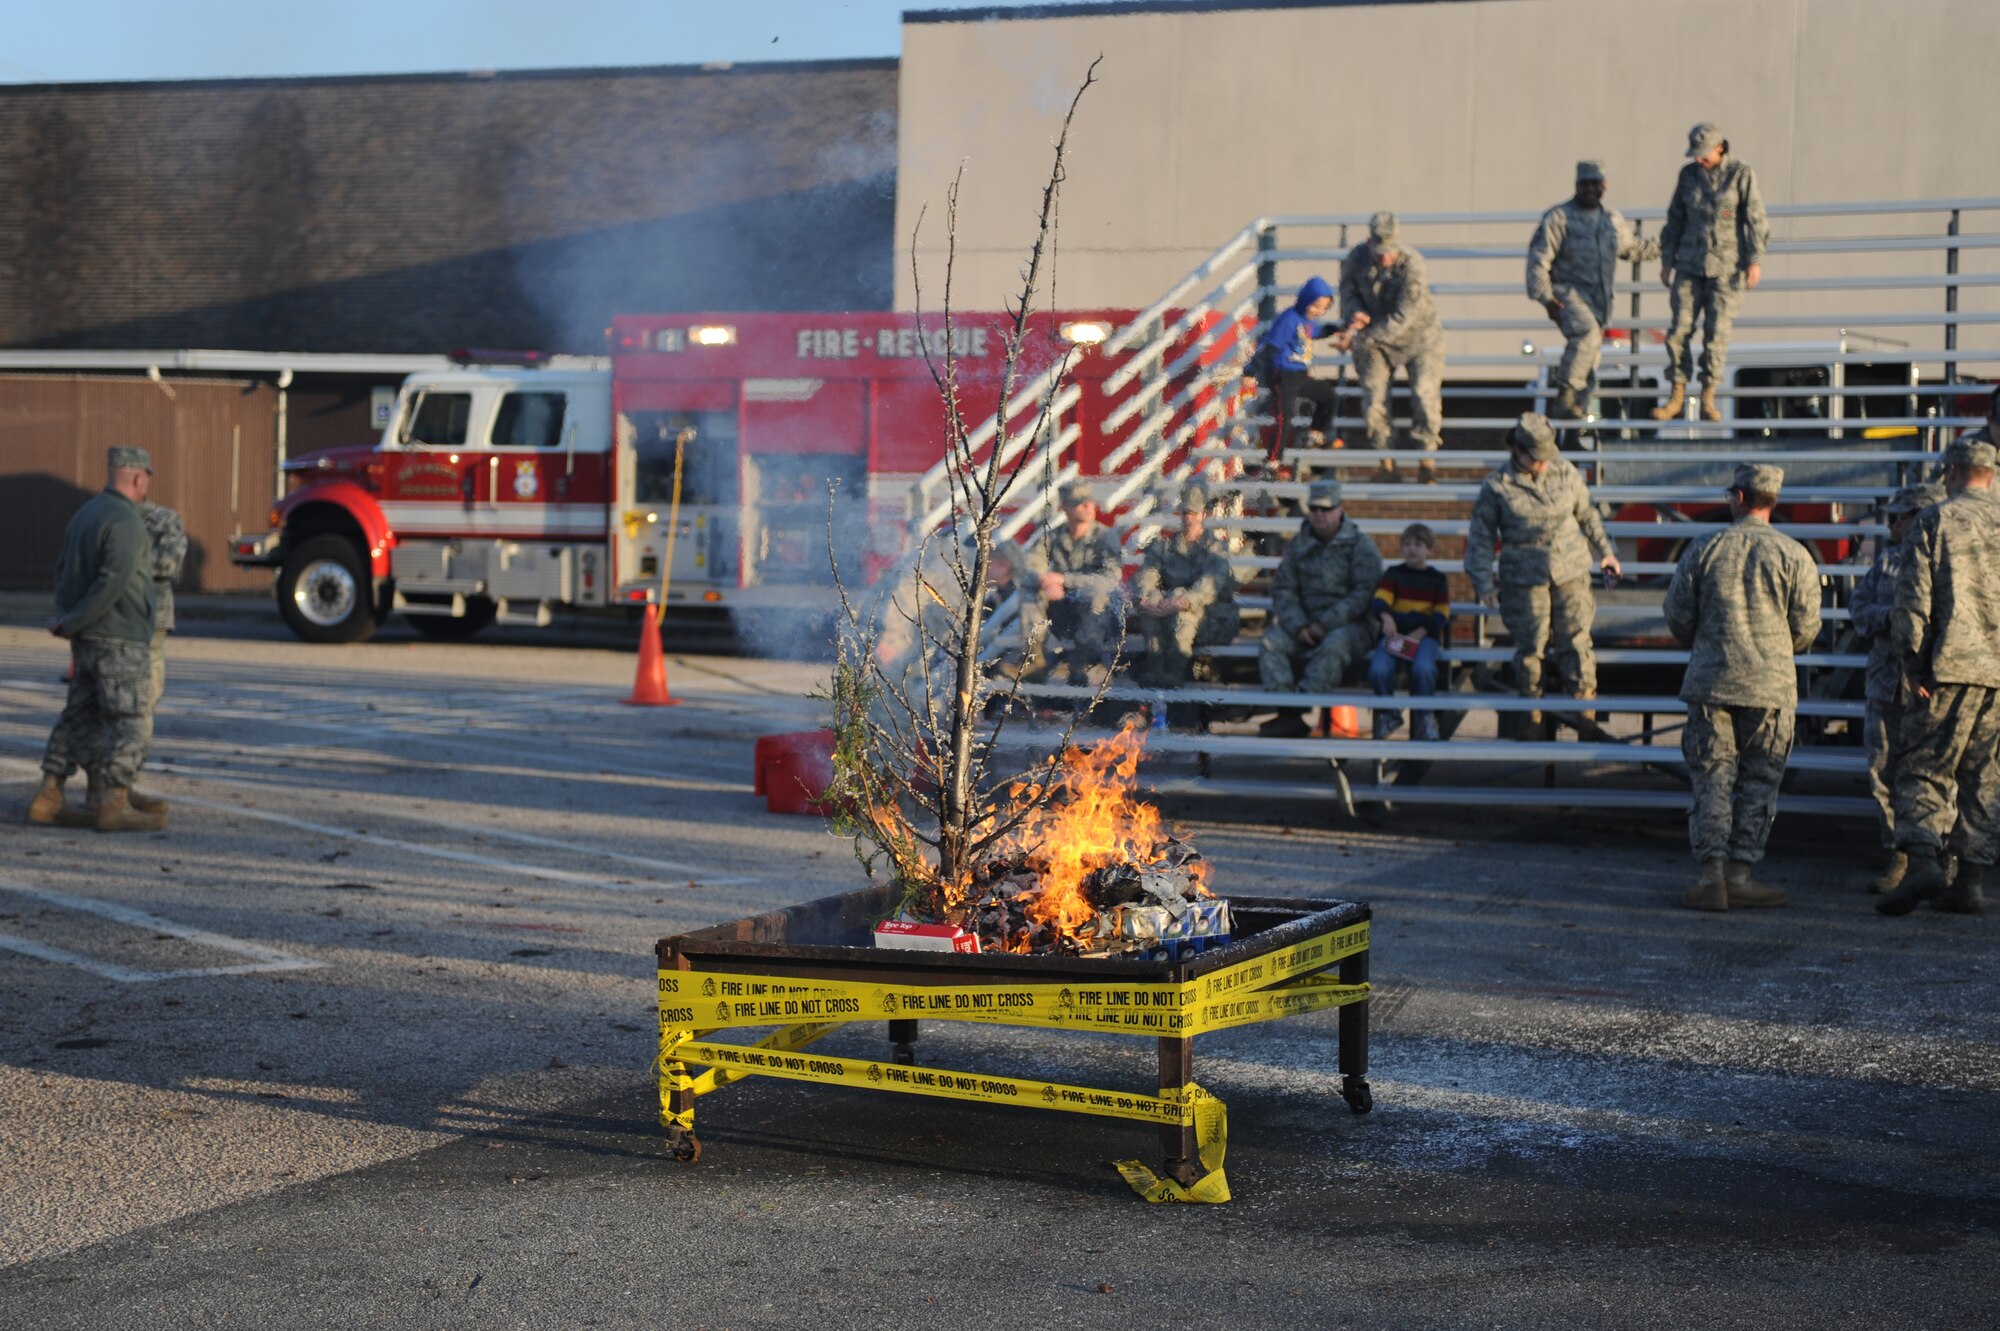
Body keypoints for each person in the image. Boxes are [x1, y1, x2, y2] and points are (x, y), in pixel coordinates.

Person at [1663, 463, 1821, 911]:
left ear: (1738, 497)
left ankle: (1711, 876)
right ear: (1773, 501)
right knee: (1758, 784)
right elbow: (1807, 628)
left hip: (1712, 683)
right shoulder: (1795, 555)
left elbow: (1677, 617)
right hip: (1770, 689)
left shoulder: (1705, 547)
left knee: (1713, 779)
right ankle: (1741, 874)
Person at [1877, 438, 2000, 917]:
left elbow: (1912, 604)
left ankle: (1924, 859)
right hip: (1996, 674)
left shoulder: (1934, 520)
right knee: (1984, 778)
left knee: (1923, 767)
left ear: (1951, 470)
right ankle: (1970, 884)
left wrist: (1912, 665)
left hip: (1948, 668)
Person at [24, 446, 166, 833]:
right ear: (138, 478)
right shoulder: (127, 520)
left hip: (86, 640)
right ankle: (113, 802)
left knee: (77, 718)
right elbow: (113, 583)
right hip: (118, 637)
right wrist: (77, 620)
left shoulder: (85, 515)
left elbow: (63, 570)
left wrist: (69, 620)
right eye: (147, 478)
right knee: (131, 722)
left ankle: (48, 796)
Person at [1464, 413, 1621, 729]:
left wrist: (1606, 552)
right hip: (1524, 578)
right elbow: (1480, 538)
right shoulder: (1497, 486)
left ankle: (1585, 714)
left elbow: (1587, 514)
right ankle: (1531, 715)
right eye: (1537, 459)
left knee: (1576, 642)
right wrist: (1483, 584)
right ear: (1519, 452)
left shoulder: (1565, 472)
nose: (1544, 464)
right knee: (1530, 647)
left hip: (1570, 570)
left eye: (1548, 457)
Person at [1849, 481, 1946, 893]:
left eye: (1900, 517)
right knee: (1882, 770)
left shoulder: (1946, 563)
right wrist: (1891, 617)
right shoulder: (1887, 562)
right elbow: (1859, 609)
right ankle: (1899, 856)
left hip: (1928, 684)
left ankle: (1937, 855)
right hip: (1886, 682)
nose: (1892, 524)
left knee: (1931, 773)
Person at [1526, 160, 1661, 422]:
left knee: (1591, 363)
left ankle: (1575, 426)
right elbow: (1538, 260)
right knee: (1586, 334)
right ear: (1576, 185)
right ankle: (1565, 396)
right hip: (1568, 295)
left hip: (1600, 304)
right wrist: (1547, 300)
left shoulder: (1611, 220)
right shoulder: (1559, 217)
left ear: (1604, 186)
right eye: (1584, 184)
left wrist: (1668, 241)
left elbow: (1633, 249)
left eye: (1595, 184)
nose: (1590, 189)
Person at [1653, 123, 1769, 423]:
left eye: (1705, 154)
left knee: (1716, 336)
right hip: (1690, 265)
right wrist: (1667, 259)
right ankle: (1676, 395)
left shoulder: (1741, 175)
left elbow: (1755, 219)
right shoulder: (1688, 176)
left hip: (1726, 269)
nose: (1700, 160)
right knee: (1678, 331)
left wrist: (1754, 260)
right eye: (1697, 155)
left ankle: (1708, 397)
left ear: (1721, 148)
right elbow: (1674, 219)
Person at [1256, 478, 1384, 737]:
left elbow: (1364, 594)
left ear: (1340, 509)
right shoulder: (1298, 546)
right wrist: (1299, 625)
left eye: (1325, 509)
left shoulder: (1360, 545)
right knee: (1271, 642)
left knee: (1335, 645)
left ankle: (1300, 705)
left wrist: (1325, 624)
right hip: (1305, 624)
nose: (1318, 514)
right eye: (1314, 508)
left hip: (1352, 626)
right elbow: (1284, 589)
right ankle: (1288, 712)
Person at [1338, 211, 1445, 482]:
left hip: (1419, 338)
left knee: (1424, 394)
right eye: (1380, 250)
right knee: (1373, 401)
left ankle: (1426, 460)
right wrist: (1355, 315)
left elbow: (1402, 318)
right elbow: (1347, 294)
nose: (1386, 257)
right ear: (1369, 242)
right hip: (1374, 340)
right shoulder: (1355, 259)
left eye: (1390, 250)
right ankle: (1386, 463)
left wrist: (1360, 337)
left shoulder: (1413, 265)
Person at [1133, 482, 1241, 691]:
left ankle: (1176, 670)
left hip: (1211, 618)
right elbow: (1148, 571)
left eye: (1193, 512)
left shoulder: (1215, 550)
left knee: (1180, 602)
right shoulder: (1166, 546)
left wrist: (1181, 601)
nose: (1187, 518)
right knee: (1153, 602)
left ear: (1203, 515)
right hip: (1171, 615)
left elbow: (1209, 586)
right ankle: (1155, 667)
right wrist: (1144, 598)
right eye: (1184, 512)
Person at [1019, 480, 1126, 686]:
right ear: (1065, 507)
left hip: (1100, 619)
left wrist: (1064, 580)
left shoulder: (1105, 537)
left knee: (1096, 595)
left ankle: (1082, 663)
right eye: (1080, 503)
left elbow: (1110, 579)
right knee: (1029, 591)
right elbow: (1030, 564)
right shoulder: (1055, 536)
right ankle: (1035, 659)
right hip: (1065, 613)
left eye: (1090, 503)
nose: (1088, 508)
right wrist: (1045, 581)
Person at [1366, 522, 1451, 742]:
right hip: (1395, 636)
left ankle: (1424, 718)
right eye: (1407, 544)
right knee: (1378, 669)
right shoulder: (1393, 574)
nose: (1412, 549)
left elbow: (1441, 615)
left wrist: (1420, 634)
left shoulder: (1437, 580)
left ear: (1430, 550)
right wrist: (1386, 618)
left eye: (1418, 544)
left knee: (1423, 669)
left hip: (1424, 638)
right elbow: (1380, 602)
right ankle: (1389, 714)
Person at [1249, 276, 1344, 464]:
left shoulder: (1308, 322)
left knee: (1329, 395)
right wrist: (1250, 372)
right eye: (1316, 306)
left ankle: (1315, 433)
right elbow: (1270, 346)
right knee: (1285, 417)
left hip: (1300, 375)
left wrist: (1339, 328)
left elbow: (1318, 333)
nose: (1319, 312)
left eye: (1324, 308)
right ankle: (1274, 461)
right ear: (1305, 300)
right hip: (1283, 375)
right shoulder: (1290, 319)